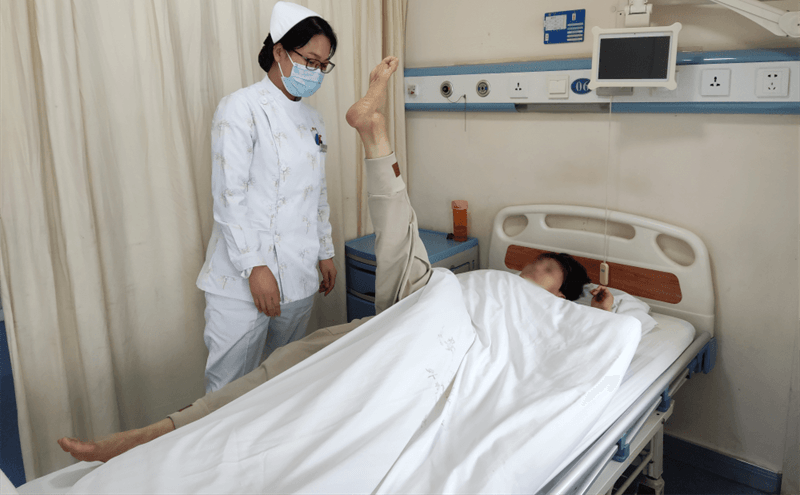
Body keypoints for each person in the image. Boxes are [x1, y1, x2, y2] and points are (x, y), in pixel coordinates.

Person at [58, 56, 614, 463]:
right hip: (435, 300)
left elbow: (571, 344)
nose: (531, 270)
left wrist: (601, 309)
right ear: (280, 53)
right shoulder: (498, 279)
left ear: (561, 295)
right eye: (536, 263)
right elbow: (231, 197)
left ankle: (171, 437)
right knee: (394, 242)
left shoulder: (555, 313)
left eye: (546, 272)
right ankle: (374, 132)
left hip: (449, 337)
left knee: (302, 359)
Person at [197, 1, 339, 393]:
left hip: (299, 271)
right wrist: (255, 268)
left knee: (283, 381)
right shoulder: (240, 107)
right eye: (310, 61)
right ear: (279, 51)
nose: (316, 72)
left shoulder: (314, 121)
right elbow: (229, 197)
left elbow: (317, 193)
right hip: (243, 280)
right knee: (227, 391)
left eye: (323, 65)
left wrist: (325, 251)